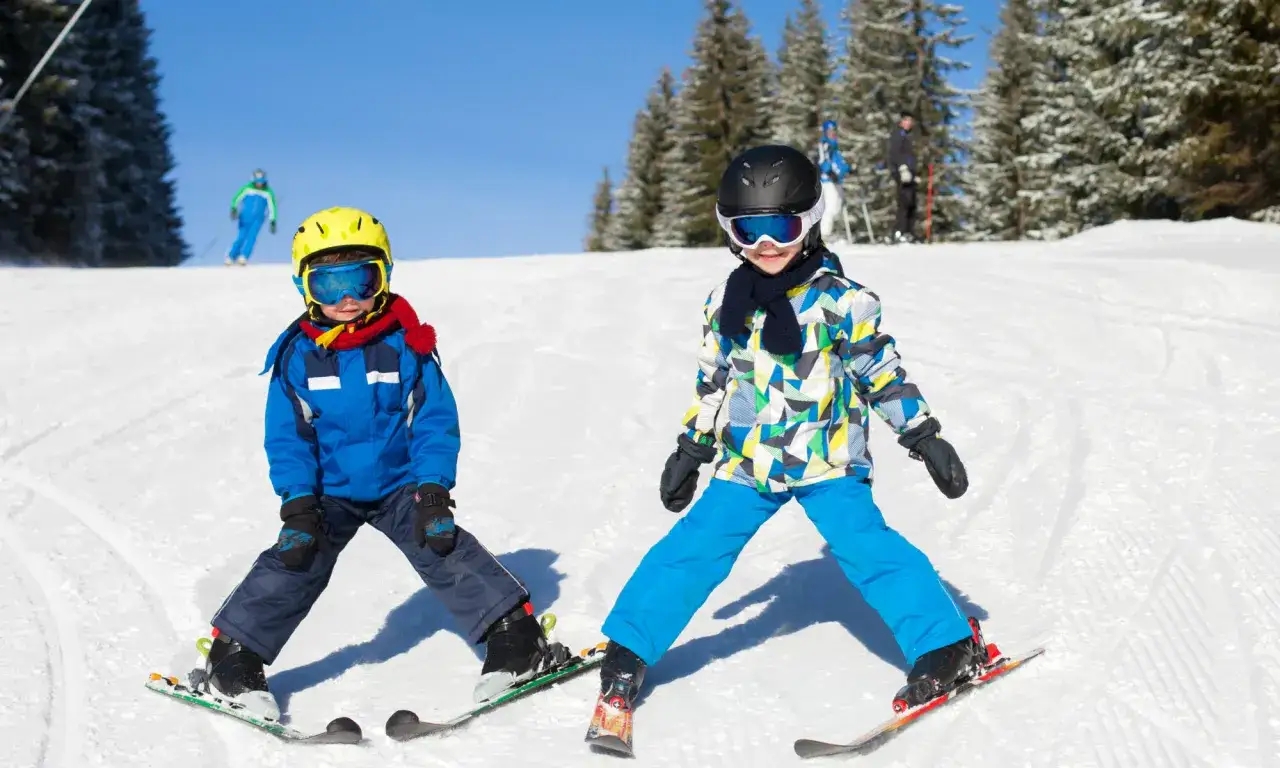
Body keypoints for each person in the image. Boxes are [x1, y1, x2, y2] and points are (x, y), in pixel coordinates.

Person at [592, 145, 985, 724]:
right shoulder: (725, 304)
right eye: (748, 231)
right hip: (747, 462)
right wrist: (691, 448)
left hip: (827, 460)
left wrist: (923, 434)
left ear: (810, 222)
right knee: (692, 548)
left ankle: (944, 643)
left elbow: (880, 372)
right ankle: (630, 645)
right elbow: (714, 383)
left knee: (866, 547)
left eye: (781, 228)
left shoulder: (842, 302)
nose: (765, 245)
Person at [199, 206, 554, 720]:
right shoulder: (298, 355)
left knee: (440, 542)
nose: (347, 298)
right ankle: (233, 656)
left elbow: (433, 420)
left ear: (383, 277)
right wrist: (298, 503)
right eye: (329, 284)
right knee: (297, 556)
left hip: (400, 485)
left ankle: (516, 638)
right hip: (329, 491)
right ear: (304, 287)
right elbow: (289, 437)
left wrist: (432, 491)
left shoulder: (404, 345)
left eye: (361, 281)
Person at [226, 169, 278, 265]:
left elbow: (272, 206)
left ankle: (244, 256)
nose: (259, 184)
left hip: (258, 219)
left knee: (252, 237)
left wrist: (273, 220)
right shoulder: (247, 188)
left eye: (261, 182)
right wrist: (233, 209)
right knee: (241, 237)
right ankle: (231, 256)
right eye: (257, 182)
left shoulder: (268, 192)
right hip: (245, 217)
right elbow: (236, 198)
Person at [816, 119, 851, 242]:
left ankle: (830, 231)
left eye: (834, 130)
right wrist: (829, 171)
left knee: (837, 207)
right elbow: (822, 161)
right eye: (830, 131)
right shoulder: (824, 144)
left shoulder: (835, 145)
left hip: (837, 180)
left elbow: (840, 162)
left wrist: (849, 169)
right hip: (828, 180)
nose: (832, 133)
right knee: (831, 206)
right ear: (825, 132)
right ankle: (824, 233)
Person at [887, 110, 917, 244]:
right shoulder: (898, 135)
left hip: (910, 173)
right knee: (904, 202)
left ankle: (909, 232)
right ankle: (899, 232)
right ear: (901, 121)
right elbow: (895, 153)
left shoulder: (908, 136)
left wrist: (914, 172)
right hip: (902, 173)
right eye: (906, 120)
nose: (908, 123)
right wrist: (902, 168)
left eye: (910, 120)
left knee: (911, 203)